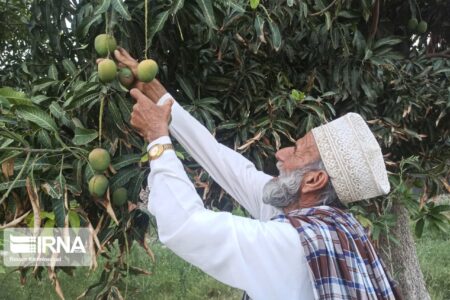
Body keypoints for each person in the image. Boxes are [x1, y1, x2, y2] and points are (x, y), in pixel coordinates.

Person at [111, 48, 402, 299]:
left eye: (297, 151)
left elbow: (186, 226)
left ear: (314, 180)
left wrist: (157, 138)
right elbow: (219, 159)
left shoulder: (291, 243)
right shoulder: (329, 221)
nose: (280, 153)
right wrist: (156, 93)